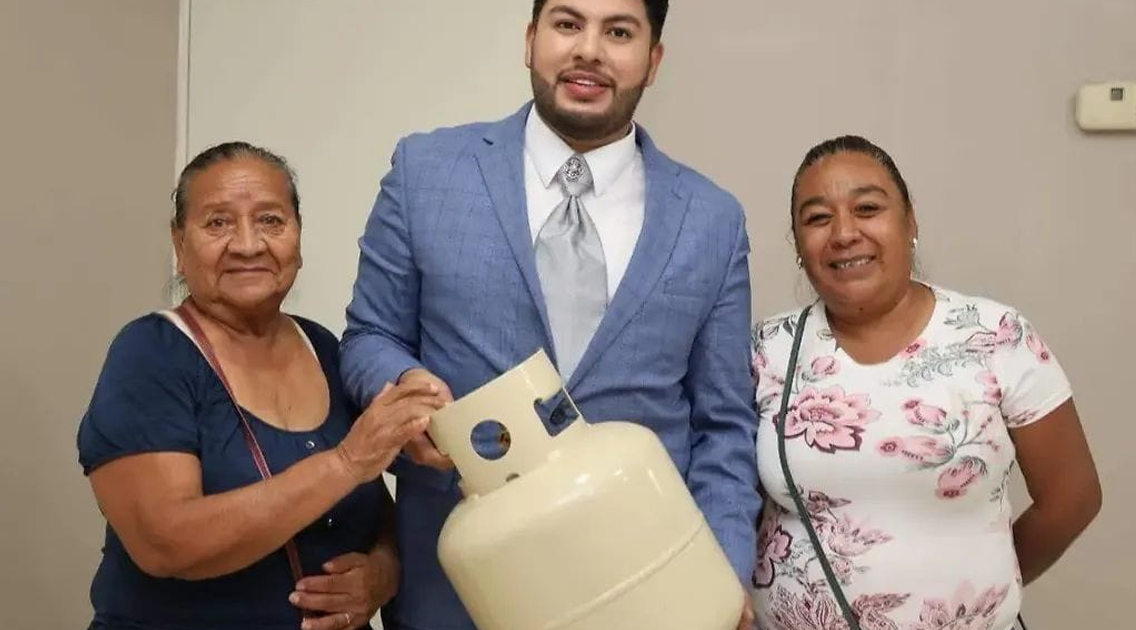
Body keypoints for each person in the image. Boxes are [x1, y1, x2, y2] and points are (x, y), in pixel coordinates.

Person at [340, 0, 760, 628]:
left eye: (619, 32)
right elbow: (371, 335)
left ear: (654, 60)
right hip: (456, 588)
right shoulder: (424, 171)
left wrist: (720, 579)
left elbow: (722, 426)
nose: (589, 49)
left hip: (649, 591)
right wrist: (402, 391)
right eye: (568, 24)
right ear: (531, 40)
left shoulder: (712, 220)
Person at [77, 142, 441, 630]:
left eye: (270, 220)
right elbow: (164, 542)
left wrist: (382, 573)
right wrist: (344, 461)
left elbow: (375, 510)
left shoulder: (323, 348)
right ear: (179, 243)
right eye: (218, 223)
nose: (248, 245)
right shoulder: (151, 353)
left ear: (297, 237)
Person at [750, 135, 1102, 630]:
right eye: (817, 218)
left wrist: (983, 587)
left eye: (867, 208)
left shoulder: (997, 336)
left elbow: (1074, 496)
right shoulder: (765, 348)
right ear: (797, 244)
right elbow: (727, 494)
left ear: (910, 221)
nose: (844, 233)